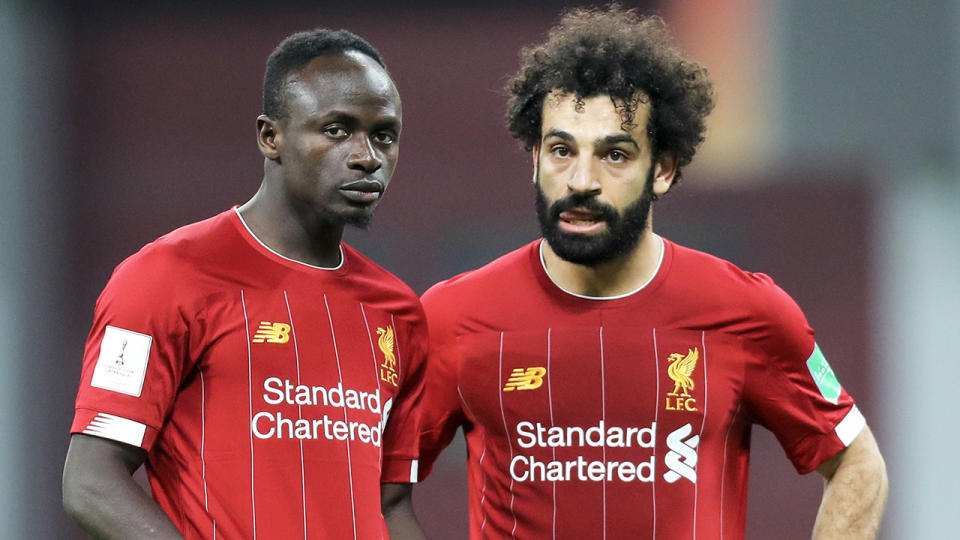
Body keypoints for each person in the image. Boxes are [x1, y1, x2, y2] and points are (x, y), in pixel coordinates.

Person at [415, 6, 887, 539]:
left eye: (614, 154)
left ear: (662, 169)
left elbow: (855, 463)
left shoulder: (749, 311)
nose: (581, 180)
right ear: (534, 159)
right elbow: (373, 485)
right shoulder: (453, 317)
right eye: (561, 150)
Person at [62, 29, 426, 540]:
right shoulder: (166, 277)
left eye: (384, 135)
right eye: (337, 130)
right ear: (270, 136)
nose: (367, 156)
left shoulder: (398, 310)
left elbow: (390, 507)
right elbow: (91, 482)